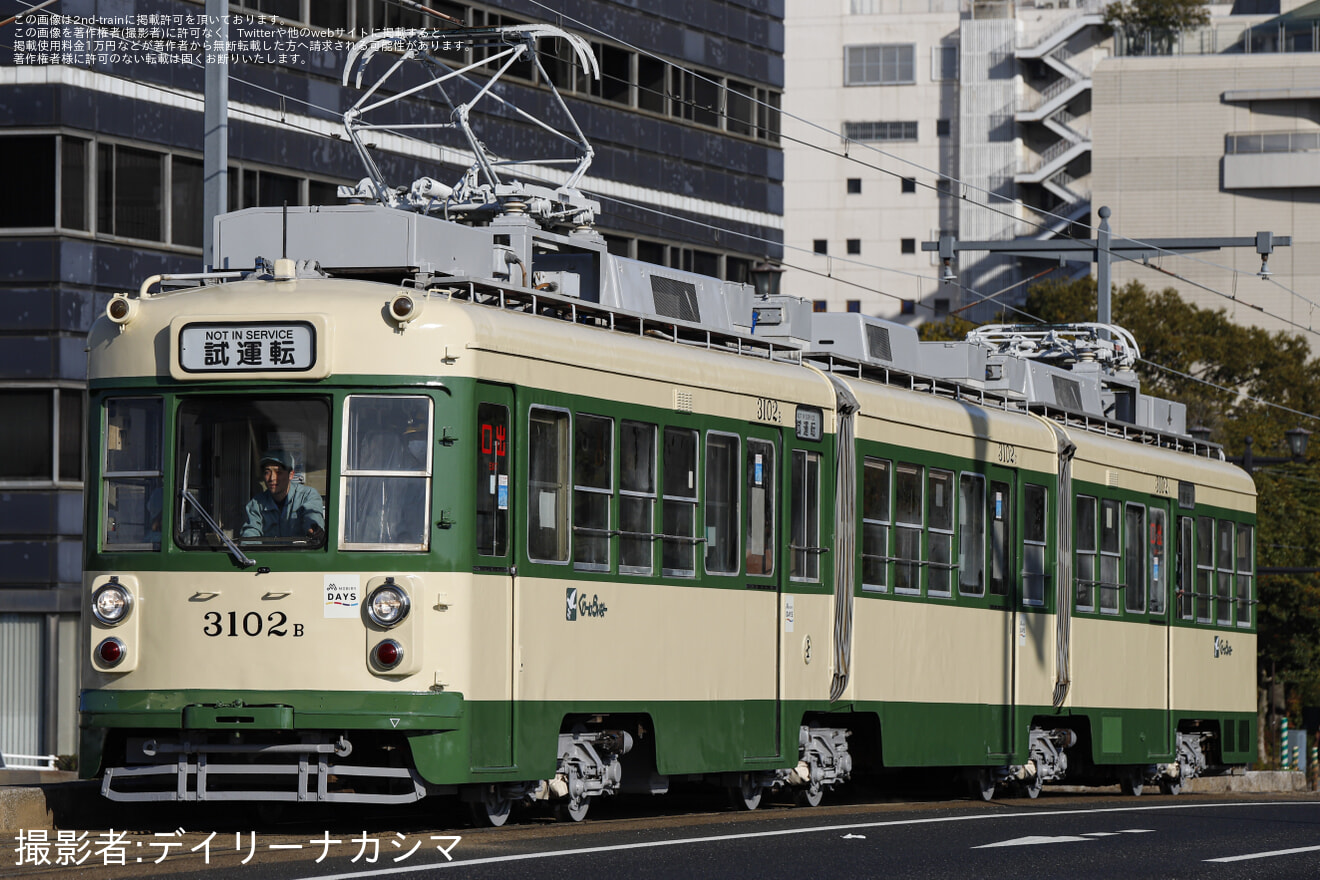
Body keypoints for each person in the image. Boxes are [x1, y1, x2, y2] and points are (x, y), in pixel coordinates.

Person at [240, 449, 325, 541]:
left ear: (291, 475)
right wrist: (247, 544)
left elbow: (312, 516)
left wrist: (313, 529)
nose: (272, 478)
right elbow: (251, 533)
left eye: (278, 472)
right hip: (268, 555)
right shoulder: (257, 503)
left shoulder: (307, 496)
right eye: (267, 472)